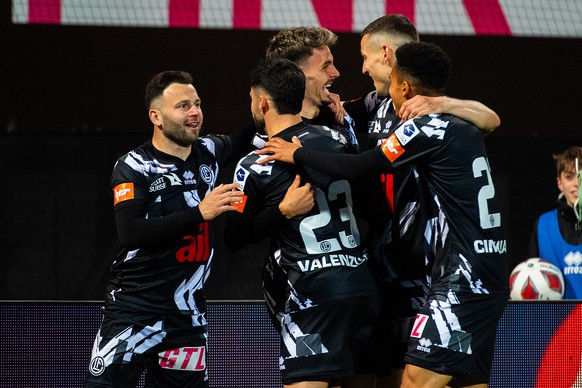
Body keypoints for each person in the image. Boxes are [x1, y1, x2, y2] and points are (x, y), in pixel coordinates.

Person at [257, 41, 509, 388]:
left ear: (404, 87)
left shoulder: (421, 127)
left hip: (461, 278)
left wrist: (298, 154)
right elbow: (492, 118)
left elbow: (360, 167)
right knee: (469, 382)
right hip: (488, 272)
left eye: (391, 81)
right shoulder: (464, 122)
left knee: (416, 382)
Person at [344, 14, 503, 387]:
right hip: (388, 265)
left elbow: (492, 118)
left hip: (434, 269)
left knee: (419, 376)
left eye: (365, 56)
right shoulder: (371, 105)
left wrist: (444, 103)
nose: (362, 67)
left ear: (386, 54)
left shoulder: (433, 110)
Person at [84, 70, 258, 387]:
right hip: (133, 312)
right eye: (182, 106)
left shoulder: (210, 151)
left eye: (197, 104)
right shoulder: (133, 166)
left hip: (187, 321)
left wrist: (275, 99)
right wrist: (198, 213)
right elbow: (131, 233)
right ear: (156, 116)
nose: (194, 113)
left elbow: (248, 133)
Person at [224, 58, 379, 388]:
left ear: (262, 101)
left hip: (313, 293)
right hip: (362, 286)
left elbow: (233, 237)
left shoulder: (255, 162)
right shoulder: (340, 140)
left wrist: (281, 212)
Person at [529, 146, 582, 299]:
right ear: (560, 183)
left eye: (581, 176)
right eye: (570, 177)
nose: (576, 183)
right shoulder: (543, 225)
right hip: (557, 321)